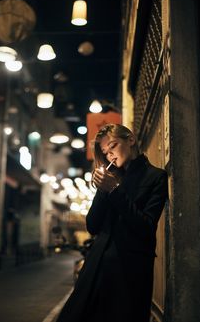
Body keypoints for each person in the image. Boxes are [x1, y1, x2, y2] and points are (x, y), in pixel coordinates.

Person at [56, 123, 168, 322]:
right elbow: (92, 225)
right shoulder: (112, 176)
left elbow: (146, 227)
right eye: (106, 153)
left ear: (130, 140)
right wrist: (102, 189)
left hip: (129, 271)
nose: (110, 155)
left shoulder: (156, 177)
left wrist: (115, 191)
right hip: (97, 266)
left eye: (113, 146)